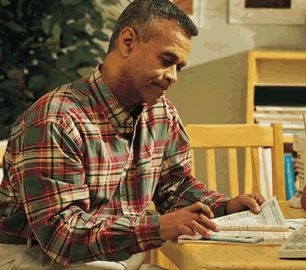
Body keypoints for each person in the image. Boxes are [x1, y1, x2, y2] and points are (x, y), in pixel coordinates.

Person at [0, 0, 266, 269]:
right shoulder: (55, 119)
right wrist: (158, 226)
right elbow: (62, 236)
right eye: (167, 60)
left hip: (113, 258)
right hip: (34, 258)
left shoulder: (161, 113)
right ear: (127, 43)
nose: (173, 76)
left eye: (179, 67)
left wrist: (225, 207)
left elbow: (175, 187)